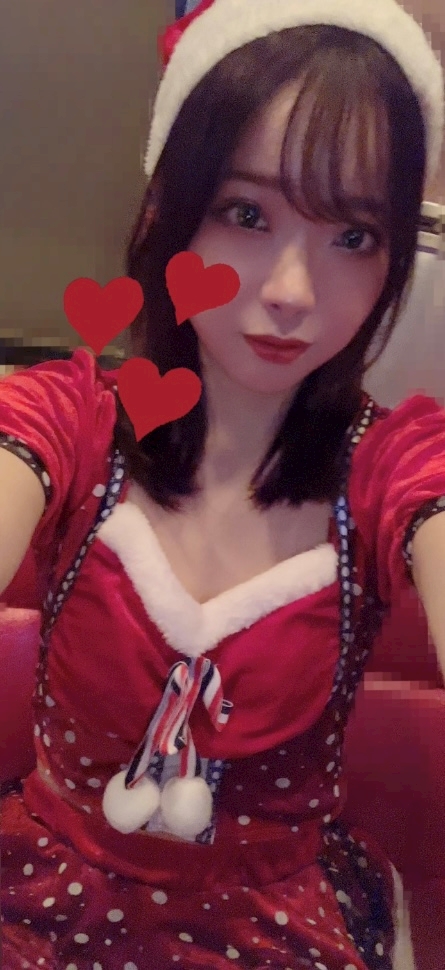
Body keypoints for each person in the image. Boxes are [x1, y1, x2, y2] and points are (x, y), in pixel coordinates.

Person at [1, 1, 445, 967]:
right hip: (38, 894)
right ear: (167, 212)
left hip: (269, 924)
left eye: (353, 236)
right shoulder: (72, 420)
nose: (292, 290)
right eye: (246, 214)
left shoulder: (391, 467)